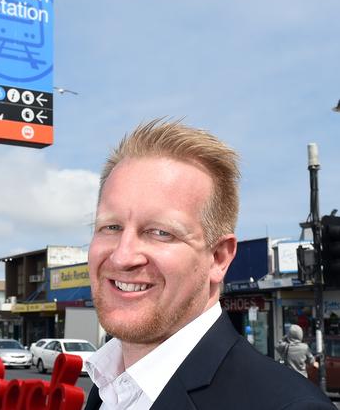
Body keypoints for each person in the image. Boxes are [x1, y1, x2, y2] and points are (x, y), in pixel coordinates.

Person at [84, 119, 334, 410]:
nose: (122, 256)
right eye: (110, 227)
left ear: (218, 258)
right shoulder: (107, 389)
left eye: (161, 232)